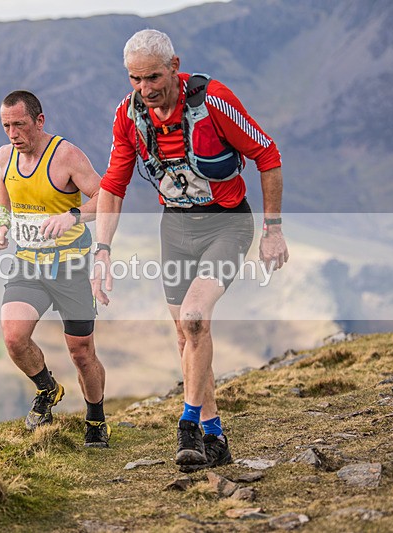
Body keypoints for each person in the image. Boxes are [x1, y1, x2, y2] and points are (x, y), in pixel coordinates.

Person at [92, 30, 289, 469]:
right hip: (176, 230)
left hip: (227, 223)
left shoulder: (214, 101)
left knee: (195, 318)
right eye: (135, 79)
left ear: (176, 65)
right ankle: (216, 437)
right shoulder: (128, 116)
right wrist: (102, 250)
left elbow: (267, 152)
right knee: (187, 335)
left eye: (154, 77)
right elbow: (113, 185)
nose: (145, 88)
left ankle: (187, 427)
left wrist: (273, 228)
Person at [0, 90, 110, 447]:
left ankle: (95, 419)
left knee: (81, 352)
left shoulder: (66, 156)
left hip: (70, 266)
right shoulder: (5, 156)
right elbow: (4, 184)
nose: (13, 134)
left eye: (20, 125)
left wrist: (71, 215)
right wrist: (0, 221)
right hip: (29, 263)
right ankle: (48, 389)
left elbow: (106, 196)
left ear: (39, 121)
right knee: (14, 337)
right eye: (6, 126)